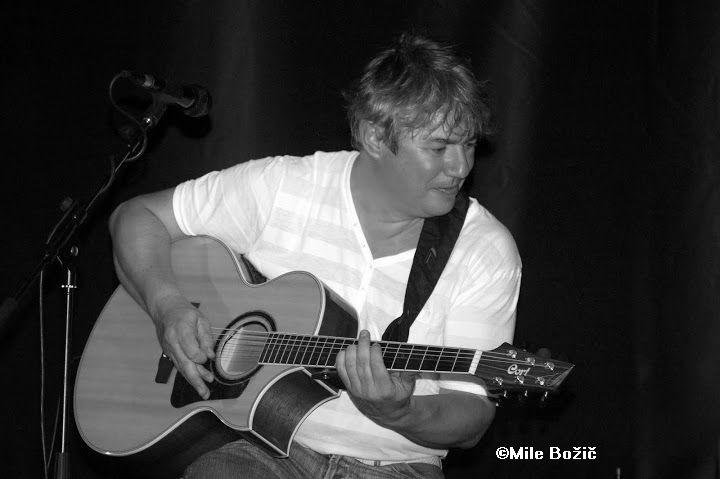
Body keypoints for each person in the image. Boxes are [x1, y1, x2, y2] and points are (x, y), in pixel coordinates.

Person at [109, 32, 521, 479]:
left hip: (396, 467)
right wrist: (166, 306)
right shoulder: (282, 187)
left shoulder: (482, 248)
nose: (460, 167)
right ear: (374, 136)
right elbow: (135, 218)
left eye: (469, 144)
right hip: (254, 450)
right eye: (439, 147)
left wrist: (399, 412)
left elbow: (472, 417)